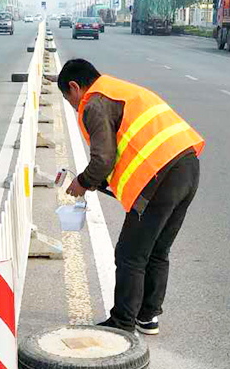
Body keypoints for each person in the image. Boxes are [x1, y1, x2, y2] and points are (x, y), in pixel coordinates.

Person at [58, 59, 204, 335]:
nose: (74, 106)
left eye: (69, 99)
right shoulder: (119, 89)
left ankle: (122, 323)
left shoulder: (94, 103)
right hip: (188, 167)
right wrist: (100, 182)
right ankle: (148, 316)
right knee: (157, 249)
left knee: (129, 254)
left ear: (75, 87)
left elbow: (103, 159)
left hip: (160, 177)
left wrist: (83, 182)